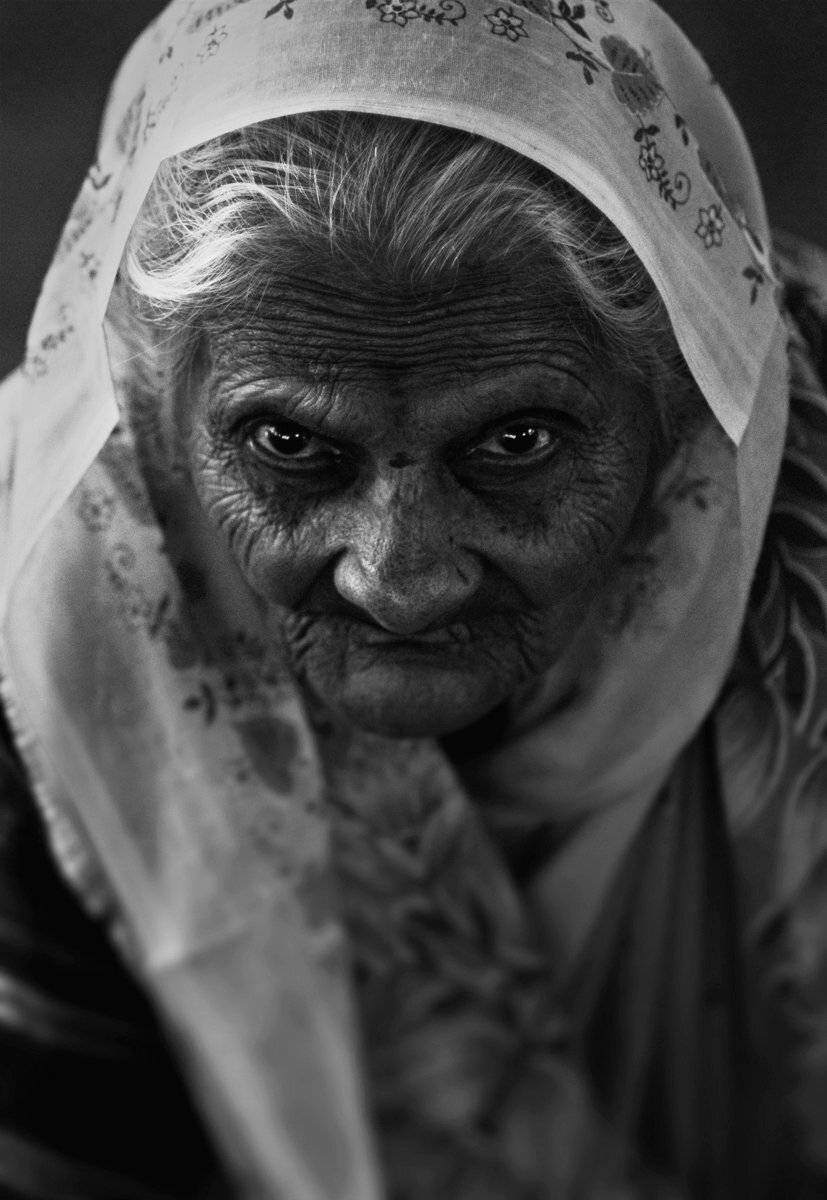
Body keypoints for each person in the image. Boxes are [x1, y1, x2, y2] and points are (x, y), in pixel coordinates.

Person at [0, 1, 825, 1196]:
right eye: (287, 443)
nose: (396, 577)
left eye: (516, 439)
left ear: (678, 405)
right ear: (157, 414)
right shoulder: (47, 621)